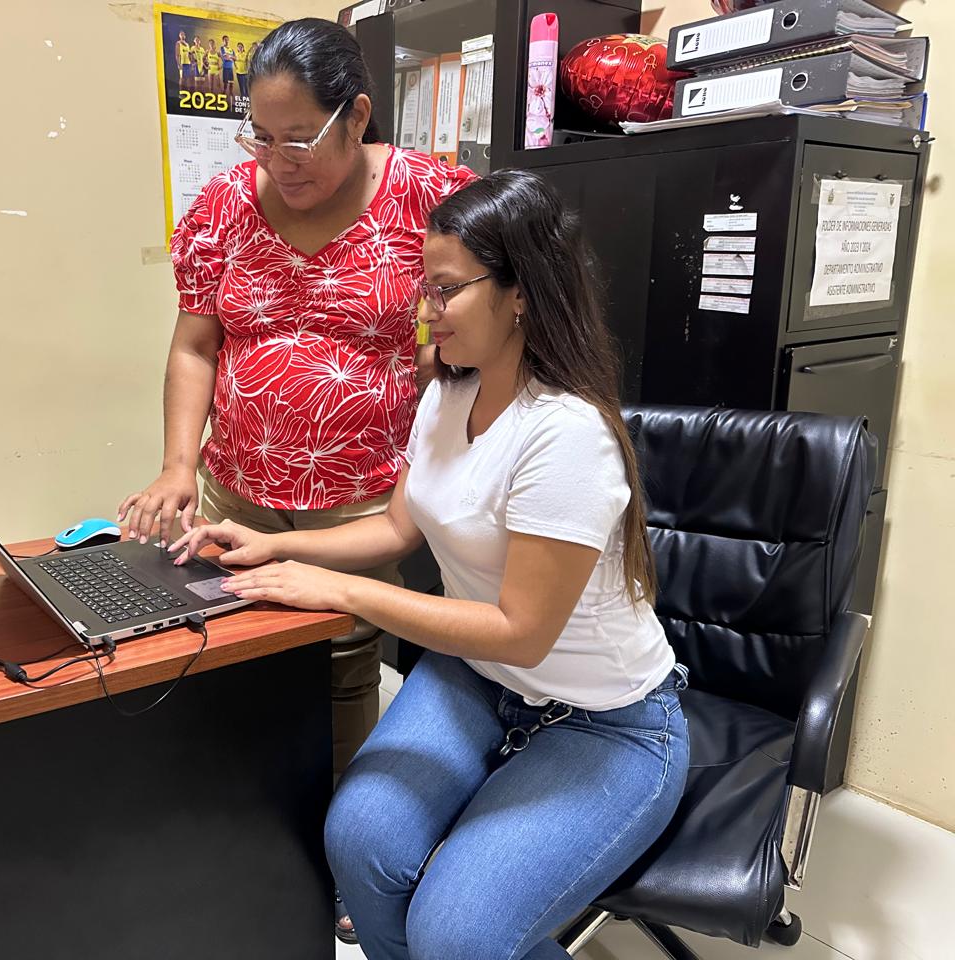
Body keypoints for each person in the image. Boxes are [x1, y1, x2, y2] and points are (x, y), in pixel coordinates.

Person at [168, 169, 690, 956]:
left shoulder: (566, 435)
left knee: (456, 932)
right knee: (361, 845)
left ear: (521, 293)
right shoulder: (448, 396)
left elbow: (520, 633)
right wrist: (277, 544)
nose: (425, 311)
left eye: (445, 291)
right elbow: (395, 528)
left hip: (607, 723)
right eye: (425, 288)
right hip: (479, 680)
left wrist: (338, 591)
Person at [117, 18, 475, 777]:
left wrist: (437, 396)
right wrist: (178, 467)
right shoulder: (223, 207)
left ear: (358, 116)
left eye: (300, 140)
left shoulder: (431, 197)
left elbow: (476, 328)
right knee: (231, 651)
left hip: (363, 493)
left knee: (338, 662)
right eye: (262, 138)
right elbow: (195, 345)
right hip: (237, 486)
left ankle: (336, 828)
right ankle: (248, 817)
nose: (278, 162)